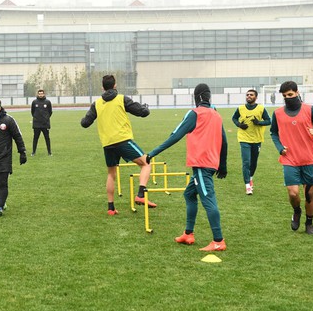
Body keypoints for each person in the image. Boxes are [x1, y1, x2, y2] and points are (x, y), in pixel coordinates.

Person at [147, 84, 228, 251]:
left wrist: (152, 153)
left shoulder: (194, 114)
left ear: (196, 97)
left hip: (201, 164)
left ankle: (218, 240)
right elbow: (224, 141)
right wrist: (223, 164)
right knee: (189, 194)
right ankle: (188, 234)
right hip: (211, 163)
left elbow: (176, 135)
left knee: (208, 200)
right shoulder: (216, 115)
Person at [80, 74, 156, 215]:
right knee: (146, 163)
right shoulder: (122, 99)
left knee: (111, 174)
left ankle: (111, 208)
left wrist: (85, 118)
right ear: (115, 85)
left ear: (102, 87)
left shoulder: (96, 104)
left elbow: (85, 123)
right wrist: (145, 107)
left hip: (107, 143)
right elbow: (142, 112)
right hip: (123, 140)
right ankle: (140, 194)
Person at [270, 81, 313, 235]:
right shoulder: (277, 113)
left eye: (290, 94)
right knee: (293, 193)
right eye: (284, 96)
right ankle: (297, 211)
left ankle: (309, 223)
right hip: (289, 159)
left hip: (308, 159)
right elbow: (273, 133)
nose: (287, 98)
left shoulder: (310, 110)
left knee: (309, 194)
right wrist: (280, 148)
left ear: (297, 92)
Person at [231, 89, 271, 195]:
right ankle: (248, 186)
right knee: (246, 162)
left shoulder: (261, 108)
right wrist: (239, 125)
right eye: (247, 95)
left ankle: (250, 177)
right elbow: (234, 118)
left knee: (253, 162)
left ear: (256, 97)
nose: (249, 96)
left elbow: (269, 121)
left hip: (257, 139)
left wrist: (259, 122)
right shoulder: (240, 108)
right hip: (244, 138)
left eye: (251, 95)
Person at [30, 88, 53, 156]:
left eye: (42, 93)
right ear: (38, 94)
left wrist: (46, 118)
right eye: (39, 94)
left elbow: (50, 112)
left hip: (45, 124)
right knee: (35, 138)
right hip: (37, 124)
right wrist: (36, 118)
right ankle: (33, 152)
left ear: (44, 94)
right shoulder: (34, 102)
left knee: (47, 138)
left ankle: (49, 152)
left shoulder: (47, 102)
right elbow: (32, 112)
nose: (40, 95)